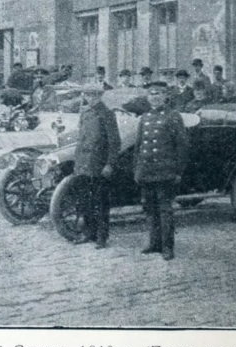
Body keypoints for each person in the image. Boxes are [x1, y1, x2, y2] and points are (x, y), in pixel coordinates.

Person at [133, 82, 189, 261]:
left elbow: (182, 146)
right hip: (147, 171)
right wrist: (137, 170)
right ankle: (154, 243)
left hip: (165, 171)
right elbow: (138, 146)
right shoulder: (145, 117)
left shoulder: (173, 116)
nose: (155, 97)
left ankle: (167, 247)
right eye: (151, 94)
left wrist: (178, 171)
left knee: (165, 210)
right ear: (147, 97)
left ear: (166, 96)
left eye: (158, 93)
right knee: (150, 209)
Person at [73, 85, 121, 249]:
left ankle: (101, 236)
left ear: (100, 96)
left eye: (94, 96)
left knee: (100, 202)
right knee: (85, 201)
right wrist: (78, 163)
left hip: (98, 164)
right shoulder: (85, 113)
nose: (91, 99)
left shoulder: (107, 114)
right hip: (83, 164)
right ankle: (88, 233)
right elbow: (81, 138)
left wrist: (109, 164)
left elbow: (115, 142)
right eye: (88, 95)